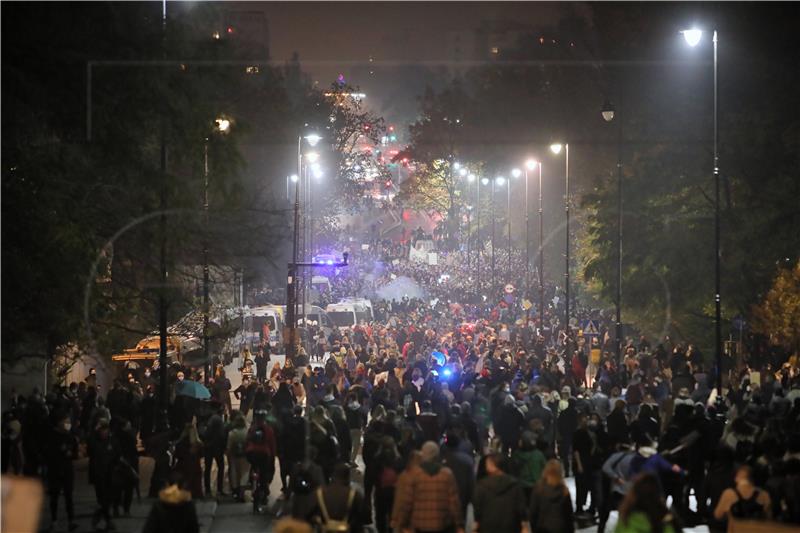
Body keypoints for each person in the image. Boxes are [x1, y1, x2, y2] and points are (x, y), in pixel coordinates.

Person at [392, 441, 465, 533]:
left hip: (419, 526)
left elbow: (407, 502)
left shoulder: (413, 475)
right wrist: (459, 524)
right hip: (442, 526)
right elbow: (454, 502)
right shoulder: (447, 474)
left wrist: (402, 523)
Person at [472, 452, 529, 533]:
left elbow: (477, 510)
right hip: (511, 527)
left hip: (487, 527)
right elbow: (522, 510)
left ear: (491, 465)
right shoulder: (515, 485)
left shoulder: (482, 486)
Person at [306, 463, 366, 533]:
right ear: (347, 478)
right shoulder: (354, 494)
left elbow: (308, 514)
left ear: (332, 476)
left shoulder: (320, 492)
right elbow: (364, 516)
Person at [44, 413, 78, 531]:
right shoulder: (51, 436)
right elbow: (47, 453)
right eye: (66, 422)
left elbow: (75, 452)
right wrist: (60, 452)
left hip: (67, 469)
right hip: (55, 470)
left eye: (69, 422)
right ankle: (54, 521)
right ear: (59, 423)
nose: (68, 424)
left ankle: (71, 520)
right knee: (54, 497)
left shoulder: (70, 436)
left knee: (69, 496)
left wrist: (71, 454)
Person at [87, 418, 118, 531]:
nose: (104, 432)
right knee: (102, 498)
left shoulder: (112, 441)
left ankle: (100, 515)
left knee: (108, 498)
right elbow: (90, 449)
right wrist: (94, 431)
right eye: (102, 430)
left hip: (110, 474)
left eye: (106, 430)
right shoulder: (94, 441)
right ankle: (108, 520)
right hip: (98, 474)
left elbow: (116, 454)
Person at [529, 459, 575, 533]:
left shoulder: (538, 489)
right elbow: (569, 517)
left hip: (542, 529)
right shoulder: (564, 491)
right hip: (560, 529)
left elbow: (533, 513)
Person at [202, 402, 227, 497]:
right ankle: (219, 489)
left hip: (209, 446)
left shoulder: (212, 419)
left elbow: (206, 433)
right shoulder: (217, 419)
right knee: (220, 467)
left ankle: (208, 489)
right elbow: (221, 434)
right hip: (216, 447)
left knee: (207, 468)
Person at [225, 411, 249, 501]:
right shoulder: (247, 432)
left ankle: (236, 491)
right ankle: (242, 493)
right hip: (245, 456)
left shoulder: (232, 433)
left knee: (235, 473)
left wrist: (228, 455)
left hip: (234, 456)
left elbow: (228, 447)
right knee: (244, 474)